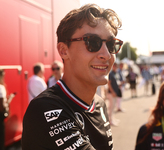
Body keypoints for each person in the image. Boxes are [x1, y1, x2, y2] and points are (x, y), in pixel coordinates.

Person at [22, 3, 123, 150]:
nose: (107, 55)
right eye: (92, 43)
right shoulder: (45, 109)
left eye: (111, 44)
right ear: (63, 51)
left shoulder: (99, 104)